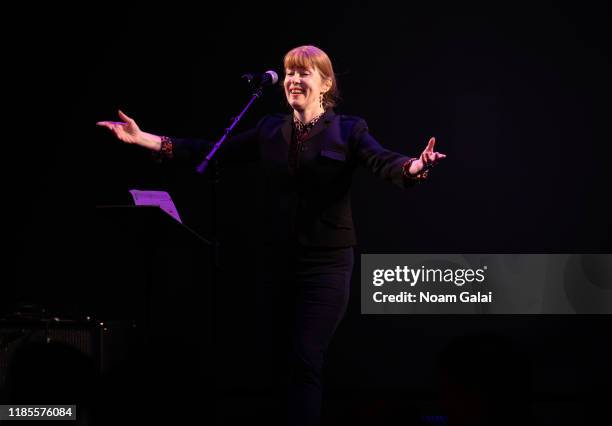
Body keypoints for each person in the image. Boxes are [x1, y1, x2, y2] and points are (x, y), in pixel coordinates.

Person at [97, 45, 446, 426]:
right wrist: (145, 138)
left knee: (305, 356)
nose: (294, 80)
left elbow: (384, 161)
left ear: (326, 83)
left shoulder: (349, 130)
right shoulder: (269, 130)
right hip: (278, 262)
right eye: (289, 73)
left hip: (326, 264)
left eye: (304, 73)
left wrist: (415, 167)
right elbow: (212, 151)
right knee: (277, 360)